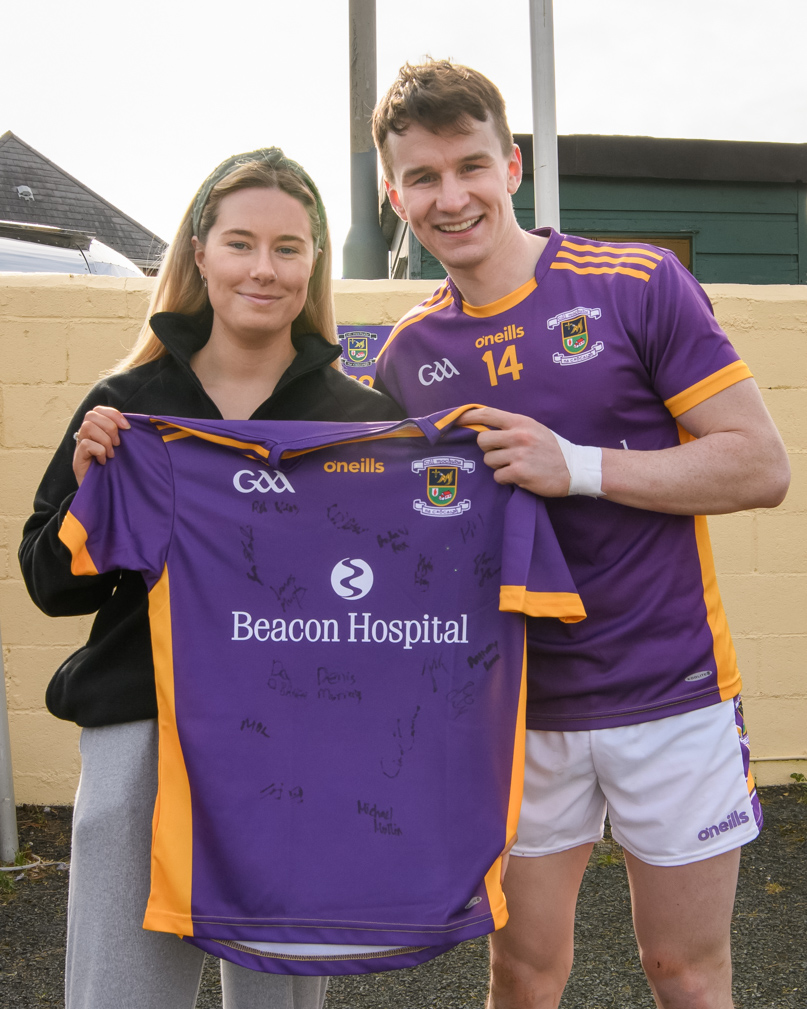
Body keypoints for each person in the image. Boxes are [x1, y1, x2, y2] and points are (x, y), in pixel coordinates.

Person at [370, 60, 791, 1009]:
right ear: (394, 194)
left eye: (470, 165)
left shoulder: (637, 283)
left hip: (671, 693)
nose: (451, 196)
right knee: (522, 972)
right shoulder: (404, 356)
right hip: (516, 713)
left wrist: (580, 464)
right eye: (423, 178)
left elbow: (759, 467)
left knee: (682, 971)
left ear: (510, 166)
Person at [19, 147, 402, 1009]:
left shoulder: (363, 420)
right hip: (144, 729)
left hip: (294, 744)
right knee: (120, 995)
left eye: (288, 247)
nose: (263, 268)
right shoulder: (129, 404)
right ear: (200, 254)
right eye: (240, 243)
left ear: (314, 264)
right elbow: (53, 584)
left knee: (276, 1000)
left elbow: (399, 597)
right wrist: (91, 493)